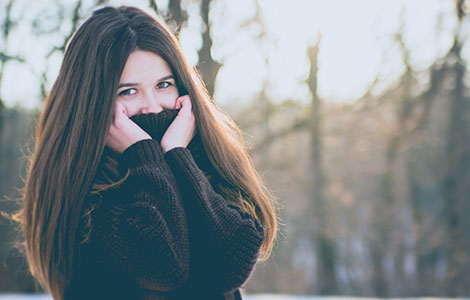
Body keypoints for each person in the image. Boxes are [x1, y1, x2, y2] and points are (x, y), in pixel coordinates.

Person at [15, 5, 279, 300]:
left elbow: (231, 263)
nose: (152, 106)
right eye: (128, 91)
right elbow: (162, 266)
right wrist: (145, 156)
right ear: (93, 102)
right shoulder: (84, 193)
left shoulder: (202, 159)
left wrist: (177, 155)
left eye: (163, 85)